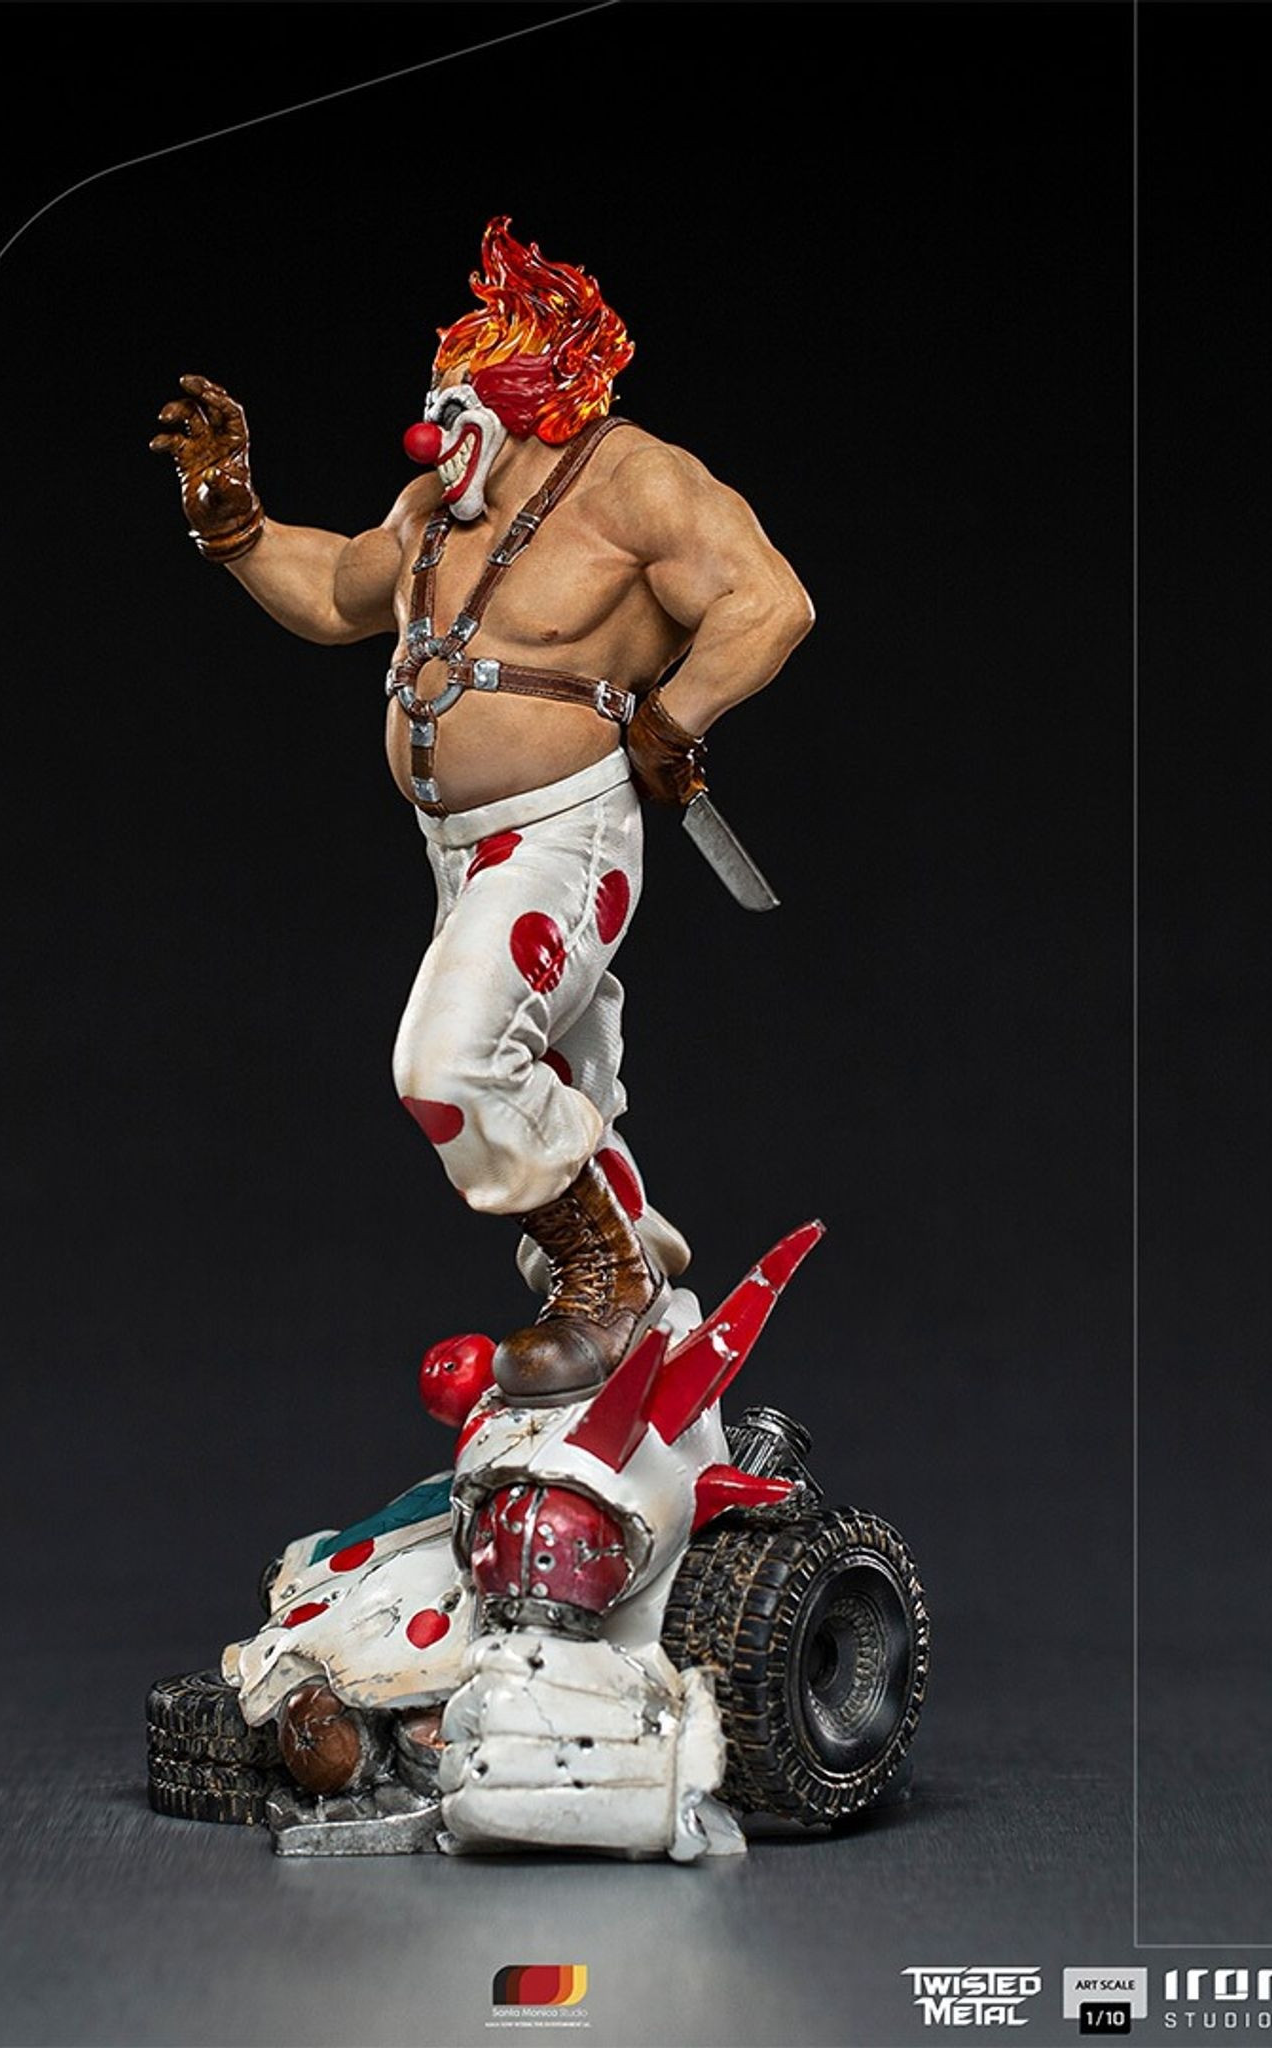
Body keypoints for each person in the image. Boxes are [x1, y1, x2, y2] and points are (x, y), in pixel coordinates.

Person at [152, 218, 813, 1405]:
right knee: (551, 1078)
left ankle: (607, 1283)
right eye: (432, 405)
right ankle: (634, 1293)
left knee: (452, 1063)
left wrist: (673, 719)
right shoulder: (431, 510)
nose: (428, 432)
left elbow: (770, 603)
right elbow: (337, 591)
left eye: (455, 408)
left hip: (562, 836)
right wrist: (234, 526)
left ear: (524, 404)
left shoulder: (633, 483)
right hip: (454, 851)